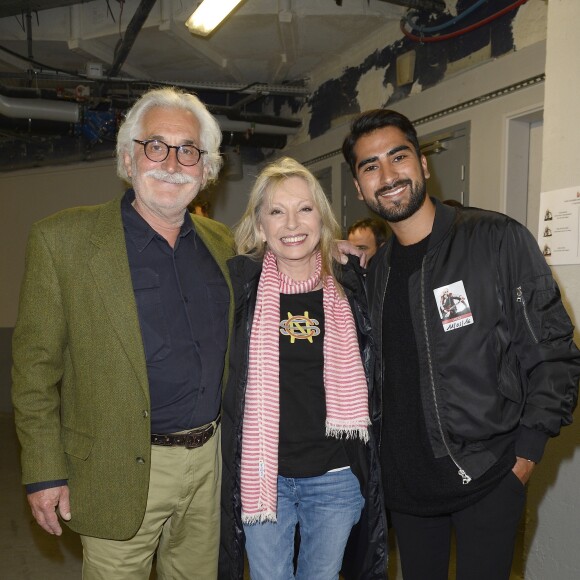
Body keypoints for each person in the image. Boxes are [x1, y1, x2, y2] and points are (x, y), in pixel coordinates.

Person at [341, 108, 580, 580]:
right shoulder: (377, 273)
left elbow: (553, 353)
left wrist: (526, 455)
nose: (387, 176)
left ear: (423, 164)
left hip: (489, 479)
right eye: (370, 166)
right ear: (359, 186)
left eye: (398, 157)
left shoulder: (495, 240)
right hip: (407, 491)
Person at [11, 87, 235, 579]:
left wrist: (340, 253)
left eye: (188, 150)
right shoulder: (63, 241)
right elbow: (34, 371)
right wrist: (45, 472)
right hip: (116, 465)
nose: (171, 163)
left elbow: (289, 265)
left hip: (210, 464)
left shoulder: (224, 245)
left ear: (206, 168)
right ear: (129, 157)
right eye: (156, 145)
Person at [219, 157, 387, 579]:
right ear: (260, 226)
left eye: (305, 208)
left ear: (322, 218)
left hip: (335, 478)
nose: (292, 222)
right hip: (263, 477)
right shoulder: (237, 291)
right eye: (277, 211)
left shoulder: (355, 286)